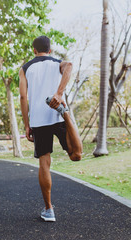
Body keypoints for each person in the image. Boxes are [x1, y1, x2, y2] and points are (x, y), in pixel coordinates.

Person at [19, 35, 82, 222]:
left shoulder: (25, 68)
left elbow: (23, 98)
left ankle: (49, 210)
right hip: (56, 113)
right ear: (50, 49)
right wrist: (59, 94)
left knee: (44, 163)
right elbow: (69, 66)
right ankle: (66, 113)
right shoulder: (57, 63)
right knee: (76, 156)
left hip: (38, 119)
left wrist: (27, 124)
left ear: (34, 50)